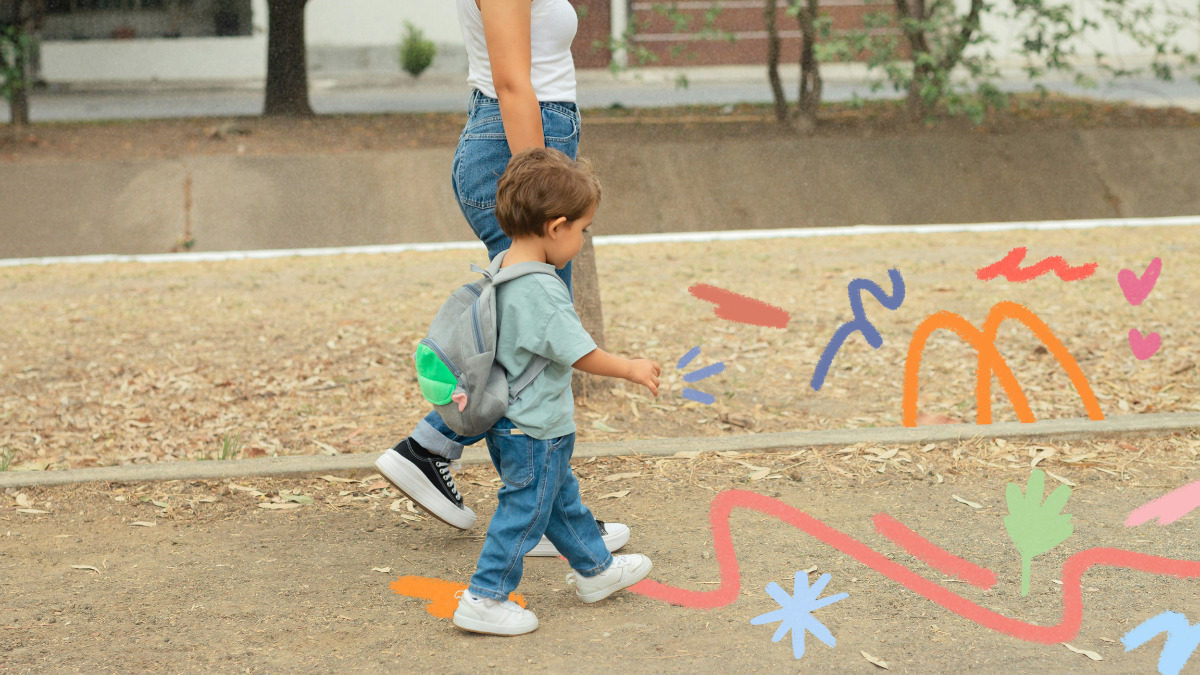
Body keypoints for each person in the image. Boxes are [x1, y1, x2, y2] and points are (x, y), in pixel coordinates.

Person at [375, 0, 631, 557]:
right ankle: (543, 517)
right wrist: (541, 184)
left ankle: (435, 448)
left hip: (521, 147)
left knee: (529, 347)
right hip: (515, 152)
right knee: (536, 350)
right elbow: (513, 82)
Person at [451, 147, 659, 636]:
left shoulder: (503, 268)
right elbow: (578, 351)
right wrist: (629, 368)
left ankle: (597, 571)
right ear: (555, 226)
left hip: (512, 424)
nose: (582, 240)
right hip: (536, 429)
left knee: (560, 502)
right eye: (583, 229)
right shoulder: (540, 289)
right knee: (525, 513)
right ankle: (485, 597)